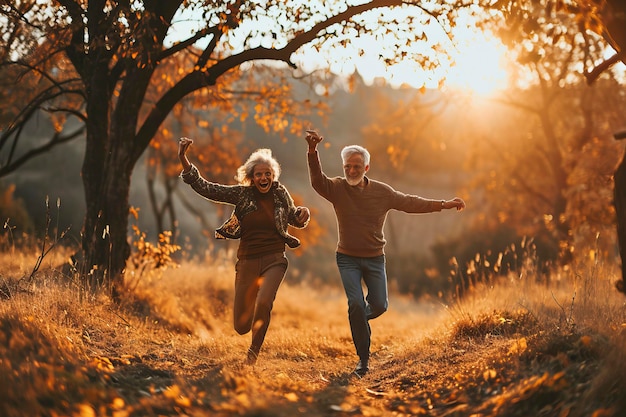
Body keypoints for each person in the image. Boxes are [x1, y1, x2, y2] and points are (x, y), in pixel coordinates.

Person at [304, 130, 465, 378]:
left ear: (366, 167)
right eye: (348, 166)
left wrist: (443, 204)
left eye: (357, 166)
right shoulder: (336, 188)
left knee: (379, 306)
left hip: (374, 258)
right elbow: (317, 181)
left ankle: (359, 319)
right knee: (356, 303)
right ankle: (363, 360)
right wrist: (313, 152)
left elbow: (410, 203)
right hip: (347, 258)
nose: (352, 171)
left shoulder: (382, 192)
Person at [178, 137, 311, 365]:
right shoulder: (242, 194)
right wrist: (183, 158)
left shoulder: (280, 194)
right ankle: (249, 333)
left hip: (275, 259)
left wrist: (302, 214)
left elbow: (293, 216)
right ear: (251, 177)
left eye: (268, 173)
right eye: (259, 174)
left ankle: (253, 354)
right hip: (247, 260)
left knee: (264, 302)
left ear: (273, 175)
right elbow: (208, 188)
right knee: (240, 326)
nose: (264, 178)